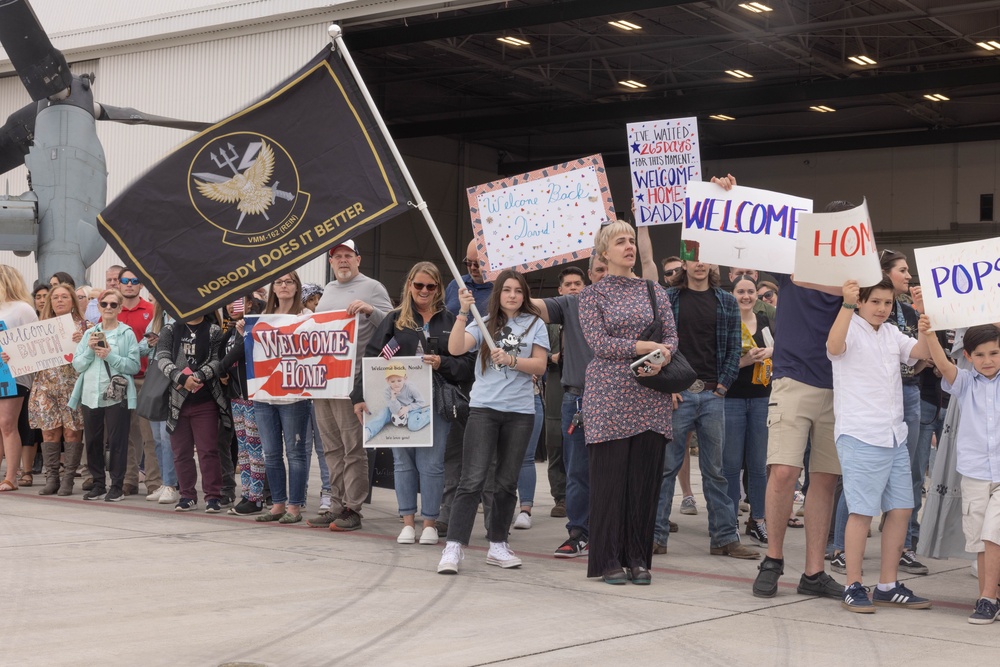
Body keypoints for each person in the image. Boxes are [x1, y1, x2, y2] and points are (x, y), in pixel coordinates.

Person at [752, 198, 851, 600]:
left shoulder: (858, 278)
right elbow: (746, 235)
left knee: (825, 480)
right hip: (792, 382)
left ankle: (813, 571)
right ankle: (773, 559)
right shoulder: (793, 263)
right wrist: (728, 194)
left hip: (841, 388)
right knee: (783, 473)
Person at [574, 220, 676, 584]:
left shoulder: (655, 291)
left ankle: (638, 558)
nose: (629, 246)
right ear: (605, 252)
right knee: (610, 482)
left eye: (632, 240)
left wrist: (657, 357)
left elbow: (672, 337)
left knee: (645, 482)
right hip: (609, 398)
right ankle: (608, 560)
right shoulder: (591, 295)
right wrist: (644, 347)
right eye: (621, 241)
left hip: (651, 395)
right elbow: (599, 344)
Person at [827, 278, 931, 613]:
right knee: (862, 512)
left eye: (887, 303)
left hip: (893, 435)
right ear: (860, 302)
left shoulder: (891, 333)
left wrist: (925, 316)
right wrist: (845, 303)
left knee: (901, 509)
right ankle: (853, 584)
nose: (882, 308)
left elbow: (922, 354)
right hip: (860, 434)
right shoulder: (849, 326)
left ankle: (887, 584)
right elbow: (833, 346)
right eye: (875, 302)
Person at [437, 270, 548, 574]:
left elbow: (540, 363)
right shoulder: (483, 323)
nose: (512, 295)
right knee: (472, 479)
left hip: (520, 413)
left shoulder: (535, 324)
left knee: (506, 482)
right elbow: (456, 348)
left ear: (525, 295)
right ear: (498, 294)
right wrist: (461, 312)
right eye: (507, 290)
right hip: (484, 409)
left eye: (518, 291)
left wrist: (512, 360)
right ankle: (454, 547)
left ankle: (497, 544)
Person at [354, 262, 473, 545]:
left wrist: (442, 362)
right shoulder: (395, 320)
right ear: (409, 284)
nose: (424, 291)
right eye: (418, 285)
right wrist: (359, 396)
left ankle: (430, 523)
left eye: (430, 286)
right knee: (403, 462)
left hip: (436, 399)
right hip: (396, 399)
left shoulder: (451, 320)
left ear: (438, 289)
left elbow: (466, 364)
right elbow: (371, 358)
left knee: (432, 464)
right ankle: (407, 522)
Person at [654, 256, 758, 560]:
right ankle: (655, 537)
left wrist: (723, 387)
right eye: (692, 259)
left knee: (716, 472)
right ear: (683, 264)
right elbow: (658, 342)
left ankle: (724, 539)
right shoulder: (668, 297)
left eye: (705, 260)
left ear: (713, 266)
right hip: (679, 394)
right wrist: (666, 385)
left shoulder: (726, 300)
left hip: (713, 394)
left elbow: (733, 348)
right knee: (666, 470)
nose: (699, 265)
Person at [919, 320, 1000, 623]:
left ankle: (988, 599)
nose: (988, 361)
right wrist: (929, 333)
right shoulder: (965, 383)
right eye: (979, 355)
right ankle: (988, 599)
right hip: (975, 473)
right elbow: (943, 363)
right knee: (980, 540)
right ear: (967, 355)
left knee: (994, 534)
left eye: (994, 353)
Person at [309, 240, 392, 531]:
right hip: (324, 382)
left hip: (353, 381)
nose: (342, 261)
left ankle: (352, 508)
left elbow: (392, 323)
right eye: (337, 257)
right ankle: (335, 505)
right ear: (331, 263)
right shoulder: (328, 291)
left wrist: (370, 310)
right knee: (331, 448)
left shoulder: (373, 287)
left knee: (352, 448)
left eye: (347, 256)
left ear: (358, 259)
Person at [531, 256, 607, 558]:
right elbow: (529, 305)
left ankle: (610, 531)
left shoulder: (632, 304)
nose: (604, 275)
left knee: (613, 470)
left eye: (608, 270)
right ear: (590, 275)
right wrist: (505, 276)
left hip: (618, 400)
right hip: (576, 398)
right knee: (577, 471)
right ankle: (579, 532)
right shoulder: (572, 305)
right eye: (599, 270)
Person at [438, 239, 496, 535]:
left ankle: (494, 524)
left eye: (478, 264)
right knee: (455, 452)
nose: (472, 269)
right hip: (457, 376)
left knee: (490, 457)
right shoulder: (456, 285)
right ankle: (447, 516)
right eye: (468, 263)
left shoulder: (503, 288)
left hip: (489, 378)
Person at [877, 249, 930, 574]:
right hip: (875, 398)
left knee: (909, 472)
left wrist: (925, 318)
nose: (908, 276)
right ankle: (837, 545)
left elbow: (920, 356)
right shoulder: (867, 311)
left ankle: (905, 544)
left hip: (910, 393)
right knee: (858, 476)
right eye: (902, 270)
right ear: (884, 273)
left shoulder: (910, 313)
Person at [154, 310, 229, 512]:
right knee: (181, 452)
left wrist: (197, 377)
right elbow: (162, 358)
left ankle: (213, 496)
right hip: (177, 401)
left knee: (208, 451)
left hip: (205, 400)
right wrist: (181, 378)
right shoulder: (170, 329)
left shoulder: (213, 330)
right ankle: (187, 495)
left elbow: (217, 360)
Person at [70, 288, 140, 502]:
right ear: (98, 307)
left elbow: (134, 366)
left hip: (116, 394)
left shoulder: (126, 333)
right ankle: (98, 484)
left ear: (119, 308)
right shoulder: (90, 333)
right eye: (104, 304)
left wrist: (110, 356)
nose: (108, 308)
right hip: (91, 394)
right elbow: (77, 364)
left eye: (113, 304)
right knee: (92, 441)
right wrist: (91, 350)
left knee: (118, 441)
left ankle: (116, 486)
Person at [254, 271, 313, 524]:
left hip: (294, 395)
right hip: (264, 394)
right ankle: (277, 503)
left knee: (296, 453)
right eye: (279, 282)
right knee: (271, 452)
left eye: (289, 281)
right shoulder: (260, 318)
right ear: (273, 288)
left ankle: (295, 506)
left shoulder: (308, 316)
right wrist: (242, 330)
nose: (284, 286)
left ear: (297, 286)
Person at [723, 275, 773, 547]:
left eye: (751, 291)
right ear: (732, 294)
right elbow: (720, 361)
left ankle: (758, 520)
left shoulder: (765, 322)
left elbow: (777, 352)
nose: (746, 296)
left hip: (761, 398)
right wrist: (744, 361)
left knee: (758, 465)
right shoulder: (729, 323)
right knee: (730, 465)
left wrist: (769, 353)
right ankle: (729, 520)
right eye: (740, 291)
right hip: (732, 398)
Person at [25, 283, 87, 495]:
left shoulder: (85, 327)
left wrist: (84, 343)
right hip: (46, 385)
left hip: (73, 386)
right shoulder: (39, 326)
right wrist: (11, 356)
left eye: (64, 297)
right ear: (50, 302)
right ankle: (52, 478)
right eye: (55, 297)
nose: (59, 300)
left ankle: (68, 478)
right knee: (49, 432)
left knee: (71, 433)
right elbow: (24, 353)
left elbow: (96, 353)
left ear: (72, 301)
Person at [219, 295, 265, 515]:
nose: (231, 306)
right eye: (228, 302)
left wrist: (222, 367)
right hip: (235, 396)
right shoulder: (230, 330)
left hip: (252, 396)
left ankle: (257, 498)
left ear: (249, 304)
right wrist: (223, 374)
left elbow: (243, 352)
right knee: (244, 450)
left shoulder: (253, 326)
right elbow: (223, 354)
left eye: (237, 301)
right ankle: (247, 493)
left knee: (255, 449)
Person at [116, 267, 158, 498]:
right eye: (125, 280)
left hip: (146, 378)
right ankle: (128, 480)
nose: (129, 284)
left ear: (141, 285)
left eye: (134, 280)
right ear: (119, 284)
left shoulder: (151, 311)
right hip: (120, 381)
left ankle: (154, 482)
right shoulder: (111, 310)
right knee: (126, 435)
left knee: (149, 435)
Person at [0, 266, 39, 493]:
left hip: (13, 372)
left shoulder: (22, 309)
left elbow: (34, 342)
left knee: (7, 423)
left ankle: (11, 476)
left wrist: (13, 352)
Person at [143, 302, 179, 506]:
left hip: (173, 377)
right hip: (155, 377)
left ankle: (171, 484)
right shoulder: (157, 318)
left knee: (167, 437)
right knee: (157, 436)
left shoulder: (181, 317)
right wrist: (150, 343)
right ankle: (166, 482)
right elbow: (140, 347)